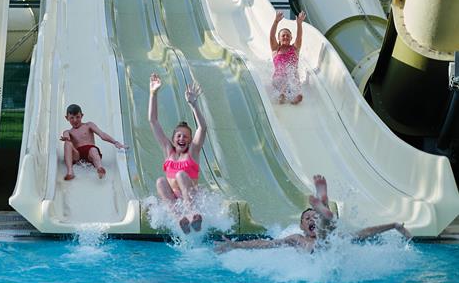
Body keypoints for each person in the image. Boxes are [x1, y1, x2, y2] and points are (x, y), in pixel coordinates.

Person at [216, 174, 413, 253]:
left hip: (328, 251)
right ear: (302, 226)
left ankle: (324, 210)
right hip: (319, 254)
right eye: (307, 219)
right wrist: (235, 245)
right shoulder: (297, 239)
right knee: (327, 235)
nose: (310, 220)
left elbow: (366, 232)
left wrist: (393, 225)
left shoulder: (337, 238)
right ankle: (324, 209)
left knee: (330, 236)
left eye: (313, 216)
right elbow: (265, 244)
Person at [148, 72, 207, 234]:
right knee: (160, 181)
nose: (182, 138)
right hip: (175, 199)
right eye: (179, 136)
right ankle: (179, 219)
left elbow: (202, 128)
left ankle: (193, 214)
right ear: (173, 139)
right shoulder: (168, 151)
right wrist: (153, 94)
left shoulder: (193, 152)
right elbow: (153, 121)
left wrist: (194, 105)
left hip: (192, 197)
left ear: (190, 140)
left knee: (181, 175)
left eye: (186, 136)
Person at [61, 104, 127, 181]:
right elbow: (66, 137)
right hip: (77, 155)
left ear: (82, 115)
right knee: (67, 143)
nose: (75, 120)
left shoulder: (88, 125)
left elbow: (102, 134)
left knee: (93, 150)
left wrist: (115, 142)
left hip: (90, 153)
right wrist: (66, 138)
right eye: (72, 118)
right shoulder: (68, 132)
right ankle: (70, 172)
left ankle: (100, 168)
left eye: (77, 117)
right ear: (67, 118)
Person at [270, 10, 306, 104]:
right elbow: (271, 36)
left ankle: (290, 96)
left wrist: (299, 23)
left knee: (293, 78)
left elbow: (299, 37)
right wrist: (276, 21)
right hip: (279, 78)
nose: (285, 37)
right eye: (283, 35)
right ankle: (283, 94)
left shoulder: (295, 49)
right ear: (279, 38)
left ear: (291, 38)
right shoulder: (275, 49)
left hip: (292, 78)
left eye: (288, 36)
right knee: (283, 81)